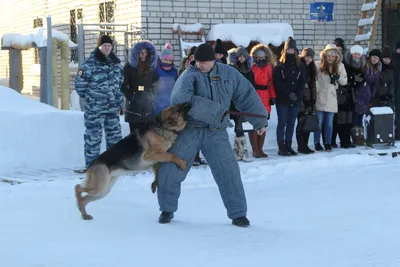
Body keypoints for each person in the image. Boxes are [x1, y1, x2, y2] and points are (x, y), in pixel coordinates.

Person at [156, 43, 268, 227]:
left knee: (229, 173)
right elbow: (180, 100)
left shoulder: (228, 74)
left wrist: (260, 121)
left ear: (213, 60)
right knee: (170, 170)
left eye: (204, 62)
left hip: (216, 132)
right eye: (197, 61)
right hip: (190, 130)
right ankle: (166, 209)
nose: (200, 65)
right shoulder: (189, 76)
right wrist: (216, 112)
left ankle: (238, 214)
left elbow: (246, 95)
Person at [75, 35, 124, 170]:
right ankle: (92, 167)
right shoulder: (89, 64)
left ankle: (114, 166)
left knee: (114, 138)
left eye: (109, 45)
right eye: (104, 46)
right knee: (93, 138)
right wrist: (93, 99)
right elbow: (80, 86)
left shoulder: (116, 64)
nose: (107, 48)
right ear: (99, 47)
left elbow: (121, 83)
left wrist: (118, 99)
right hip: (95, 109)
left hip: (112, 108)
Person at [273, 37, 306, 156]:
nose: (290, 51)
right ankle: (281, 146)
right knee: (282, 122)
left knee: (292, 123)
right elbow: (277, 82)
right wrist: (288, 93)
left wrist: (297, 94)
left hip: (296, 99)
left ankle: (288, 144)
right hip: (283, 99)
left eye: (292, 49)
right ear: (285, 50)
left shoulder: (300, 65)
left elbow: (302, 82)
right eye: (288, 49)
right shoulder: (279, 64)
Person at [314, 44, 347, 152]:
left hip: (332, 96)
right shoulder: (318, 64)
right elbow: (314, 79)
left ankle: (328, 143)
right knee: (318, 122)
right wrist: (317, 89)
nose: (331, 58)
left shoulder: (340, 66)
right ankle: (317, 143)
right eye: (329, 56)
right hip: (320, 95)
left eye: (333, 56)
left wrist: (338, 77)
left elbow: (344, 81)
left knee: (329, 123)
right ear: (325, 55)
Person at [121, 40, 158, 133]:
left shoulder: (152, 68)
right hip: (134, 107)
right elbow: (122, 85)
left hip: (147, 108)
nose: (143, 55)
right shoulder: (129, 67)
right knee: (134, 137)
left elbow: (156, 84)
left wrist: (152, 96)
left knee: (145, 138)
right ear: (136, 53)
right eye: (141, 53)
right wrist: (131, 96)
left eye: (146, 52)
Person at [227, 46, 255, 162]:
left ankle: (237, 152)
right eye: (240, 57)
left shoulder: (249, 70)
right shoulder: (232, 69)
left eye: (244, 56)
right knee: (240, 125)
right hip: (235, 101)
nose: (242, 58)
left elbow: (252, 86)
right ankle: (242, 151)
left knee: (241, 125)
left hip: (246, 101)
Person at [249, 44, 276, 158]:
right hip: (255, 95)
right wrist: (259, 68)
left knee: (263, 124)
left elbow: (270, 82)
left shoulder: (269, 67)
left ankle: (261, 149)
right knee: (254, 125)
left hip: (265, 95)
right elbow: (252, 78)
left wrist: (273, 96)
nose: (261, 59)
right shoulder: (251, 66)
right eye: (258, 57)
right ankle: (255, 150)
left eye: (263, 57)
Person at [296, 48, 317, 154]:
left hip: (309, 100)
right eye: (306, 57)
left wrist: (313, 100)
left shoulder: (312, 68)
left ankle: (305, 145)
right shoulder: (300, 66)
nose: (308, 59)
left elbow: (313, 86)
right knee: (301, 123)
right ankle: (301, 146)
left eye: (310, 57)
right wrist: (303, 101)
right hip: (301, 101)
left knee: (307, 123)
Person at [154, 43, 178, 115]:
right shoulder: (156, 69)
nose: (167, 62)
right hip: (157, 104)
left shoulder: (174, 71)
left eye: (169, 60)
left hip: (170, 104)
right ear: (161, 59)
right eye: (165, 60)